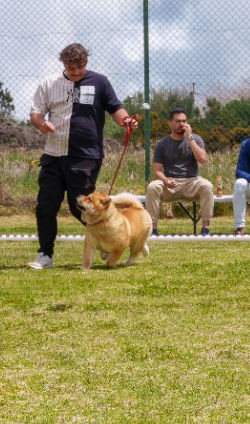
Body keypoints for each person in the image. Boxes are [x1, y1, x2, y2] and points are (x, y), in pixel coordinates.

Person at [28, 43, 137, 269]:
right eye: (71, 67)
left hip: (85, 156)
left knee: (81, 206)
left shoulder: (100, 82)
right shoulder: (49, 84)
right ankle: (45, 255)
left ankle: (113, 239)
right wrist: (42, 123)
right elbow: (35, 113)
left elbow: (116, 108)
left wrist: (126, 120)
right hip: (54, 155)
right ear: (63, 64)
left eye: (80, 66)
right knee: (45, 207)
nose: (76, 71)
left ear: (86, 63)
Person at [145, 108, 214, 236]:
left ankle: (205, 229)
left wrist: (190, 139)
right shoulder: (162, 143)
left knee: (207, 186)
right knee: (152, 187)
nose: (182, 124)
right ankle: (152, 229)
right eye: (178, 121)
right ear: (170, 123)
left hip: (192, 181)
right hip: (170, 183)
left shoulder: (196, 139)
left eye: (184, 121)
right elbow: (157, 171)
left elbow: (203, 160)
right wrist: (166, 180)